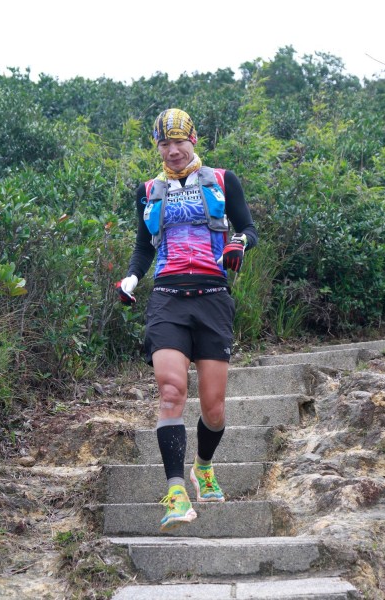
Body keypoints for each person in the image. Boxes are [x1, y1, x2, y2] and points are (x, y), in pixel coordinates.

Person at [117, 108, 258, 532]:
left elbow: (248, 228)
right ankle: (176, 493)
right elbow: (144, 246)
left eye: (179, 142)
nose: (173, 150)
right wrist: (132, 277)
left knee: (214, 409)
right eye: (165, 144)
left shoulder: (222, 180)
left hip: (213, 297)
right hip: (167, 299)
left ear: (193, 141)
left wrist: (238, 243)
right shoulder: (148, 190)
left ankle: (204, 466)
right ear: (158, 147)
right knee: (171, 391)